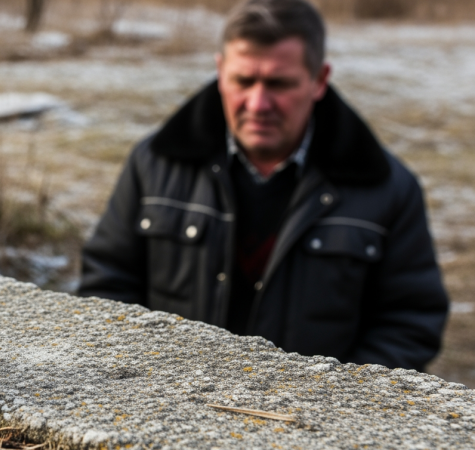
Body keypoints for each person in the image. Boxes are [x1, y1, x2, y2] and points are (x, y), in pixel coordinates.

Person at [78, 0, 448, 372]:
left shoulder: (387, 187)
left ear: (319, 80)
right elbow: (107, 287)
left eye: (278, 83)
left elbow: (410, 321)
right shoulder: (154, 163)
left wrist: (337, 405)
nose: (258, 103)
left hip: (313, 422)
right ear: (220, 72)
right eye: (243, 81)